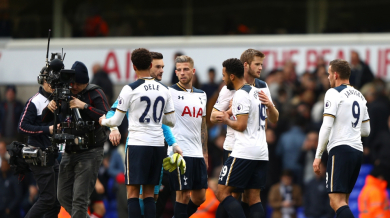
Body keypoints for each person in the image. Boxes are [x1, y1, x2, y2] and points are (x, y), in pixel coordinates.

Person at [99, 48, 176, 218]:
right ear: (150, 65)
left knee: (133, 193)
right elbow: (171, 121)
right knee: (150, 195)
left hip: (137, 145)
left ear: (133, 67)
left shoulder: (130, 89)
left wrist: (103, 121)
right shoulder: (164, 90)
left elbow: (115, 121)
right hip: (157, 145)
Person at [210, 49, 278, 216]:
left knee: (242, 195)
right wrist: (229, 111)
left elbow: (268, 119)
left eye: (261, 64)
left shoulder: (262, 87)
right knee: (236, 194)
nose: (261, 68)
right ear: (245, 65)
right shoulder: (229, 88)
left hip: (247, 146)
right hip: (234, 146)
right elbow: (212, 116)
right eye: (257, 64)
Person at [43, 61, 110, 218]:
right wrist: (51, 105)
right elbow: (44, 118)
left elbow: (108, 117)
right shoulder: (65, 93)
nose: (73, 87)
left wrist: (84, 106)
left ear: (85, 82)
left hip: (90, 151)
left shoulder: (95, 92)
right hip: (70, 150)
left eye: (77, 85)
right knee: (63, 195)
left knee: (80, 200)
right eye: (71, 84)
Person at [313, 59, 371, 218]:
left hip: (340, 150)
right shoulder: (360, 96)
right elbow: (366, 130)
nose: (328, 78)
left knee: (335, 201)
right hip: (357, 151)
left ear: (336, 74)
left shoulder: (333, 92)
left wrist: (318, 156)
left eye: (329, 74)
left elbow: (326, 126)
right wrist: (350, 129)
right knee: (342, 200)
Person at [17, 67, 61, 218]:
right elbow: (22, 126)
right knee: (48, 198)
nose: (52, 84)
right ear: (42, 81)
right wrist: (46, 129)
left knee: (56, 200)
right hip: (38, 154)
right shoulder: (35, 101)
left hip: (52, 154)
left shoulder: (56, 100)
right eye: (49, 80)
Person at [168, 55, 208, 218]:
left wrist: (205, 152)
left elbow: (203, 125)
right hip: (180, 153)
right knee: (183, 196)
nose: (182, 73)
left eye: (186, 69)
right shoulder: (170, 92)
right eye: (179, 70)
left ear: (193, 71)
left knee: (200, 197)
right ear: (176, 72)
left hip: (197, 153)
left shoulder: (202, 94)